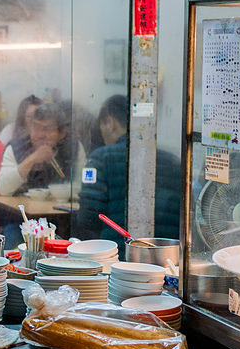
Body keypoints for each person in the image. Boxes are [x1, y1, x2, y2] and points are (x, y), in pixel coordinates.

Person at [76, 95, 181, 242]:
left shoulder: (101, 158)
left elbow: (89, 217)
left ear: (109, 122)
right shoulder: (172, 160)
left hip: (119, 252)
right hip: (166, 252)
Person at [0, 102, 86, 196]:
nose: (40, 135)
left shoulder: (73, 147)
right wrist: (31, 160)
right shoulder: (16, 147)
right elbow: (2, 189)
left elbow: (83, 185)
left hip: (61, 207)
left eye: (48, 129)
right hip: (21, 209)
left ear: (62, 133)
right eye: (36, 127)